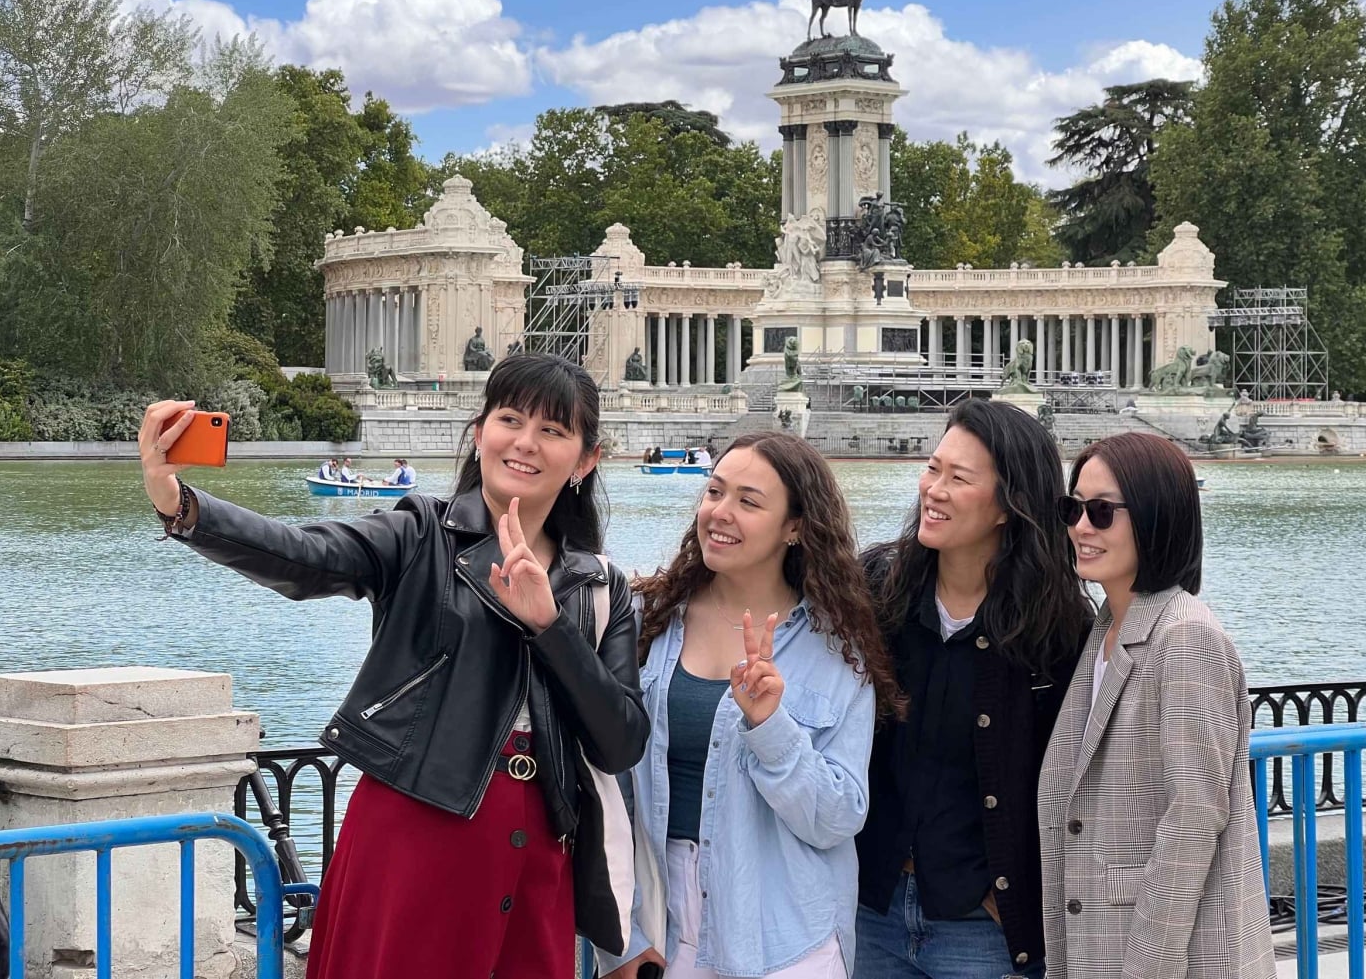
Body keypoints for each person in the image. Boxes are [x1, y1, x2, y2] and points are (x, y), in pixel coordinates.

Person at [137, 353, 650, 979]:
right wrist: (183, 506)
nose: (525, 443)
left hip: (540, 845)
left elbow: (622, 740)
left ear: (586, 459)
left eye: (553, 430)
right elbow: (304, 553)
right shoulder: (419, 536)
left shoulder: (600, 588)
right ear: (481, 429)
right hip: (416, 827)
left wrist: (550, 626)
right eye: (510, 419)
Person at [600, 433, 900, 979]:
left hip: (783, 938)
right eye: (714, 491)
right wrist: (619, 937)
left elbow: (839, 817)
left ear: (795, 527)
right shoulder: (646, 618)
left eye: (749, 501)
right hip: (655, 925)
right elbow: (601, 784)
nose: (720, 512)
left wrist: (771, 726)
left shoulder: (835, 647)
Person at [855, 399, 1092, 979]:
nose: (933, 489)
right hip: (874, 911)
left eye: (959, 478)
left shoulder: (1056, 626)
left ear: (1009, 505)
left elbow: (1070, 782)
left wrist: (1001, 893)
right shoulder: (879, 587)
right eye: (932, 468)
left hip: (980, 927)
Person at [1039, 433, 1274, 979]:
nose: (1081, 527)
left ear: (1155, 517)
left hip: (1166, 958)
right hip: (1096, 945)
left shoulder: (1186, 637)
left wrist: (1148, 965)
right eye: (1071, 508)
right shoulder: (1107, 629)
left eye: (1102, 512)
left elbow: (1195, 817)